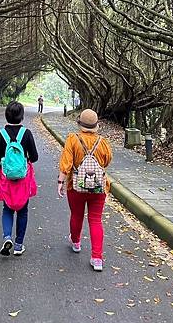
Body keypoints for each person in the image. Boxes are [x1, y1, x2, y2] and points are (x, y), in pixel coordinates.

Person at [57, 109, 112, 271]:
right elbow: (107, 161)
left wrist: (60, 181)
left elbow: (66, 163)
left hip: (76, 185)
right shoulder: (103, 142)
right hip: (98, 186)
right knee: (95, 220)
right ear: (96, 126)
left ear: (80, 124)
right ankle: (97, 258)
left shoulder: (72, 139)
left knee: (76, 214)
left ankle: (76, 242)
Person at [0, 101, 38, 256]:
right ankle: (18, 245)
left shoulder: (1, 134)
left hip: (6, 177)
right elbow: (35, 157)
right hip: (23, 179)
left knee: (7, 208)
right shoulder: (27, 133)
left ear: (6, 115)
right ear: (22, 116)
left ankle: (7, 237)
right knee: (23, 210)